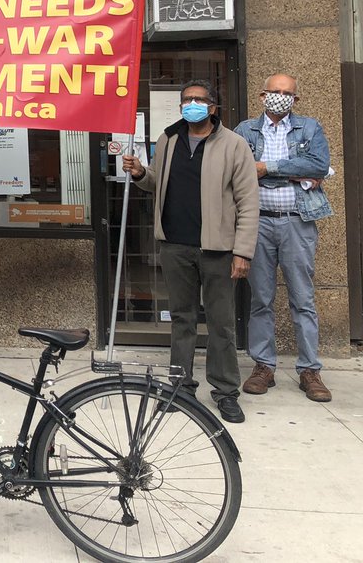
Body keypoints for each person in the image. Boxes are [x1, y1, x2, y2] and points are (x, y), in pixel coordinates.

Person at [122, 79, 258, 423]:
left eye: (198, 100)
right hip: (175, 246)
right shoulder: (168, 139)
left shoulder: (234, 145)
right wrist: (141, 173)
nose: (191, 105)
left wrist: (242, 252)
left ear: (213, 107)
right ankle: (179, 387)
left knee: (221, 324)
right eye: (186, 100)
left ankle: (226, 391)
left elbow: (248, 201)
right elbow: (158, 183)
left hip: (218, 250)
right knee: (181, 319)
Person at [234, 73, 333, 403]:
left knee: (302, 298)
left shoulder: (310, 128)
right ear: (262, 96)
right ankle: (264, 366)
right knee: (260, 299)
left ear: (296, 99)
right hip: (257, 223)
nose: (280, 96)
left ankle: (309, 370)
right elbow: (237, 169)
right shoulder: (245, 131)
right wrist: (295, 171)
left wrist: (266, 168)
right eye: (275, 92)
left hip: (297, 223)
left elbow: (319, 165)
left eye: (287, 93)